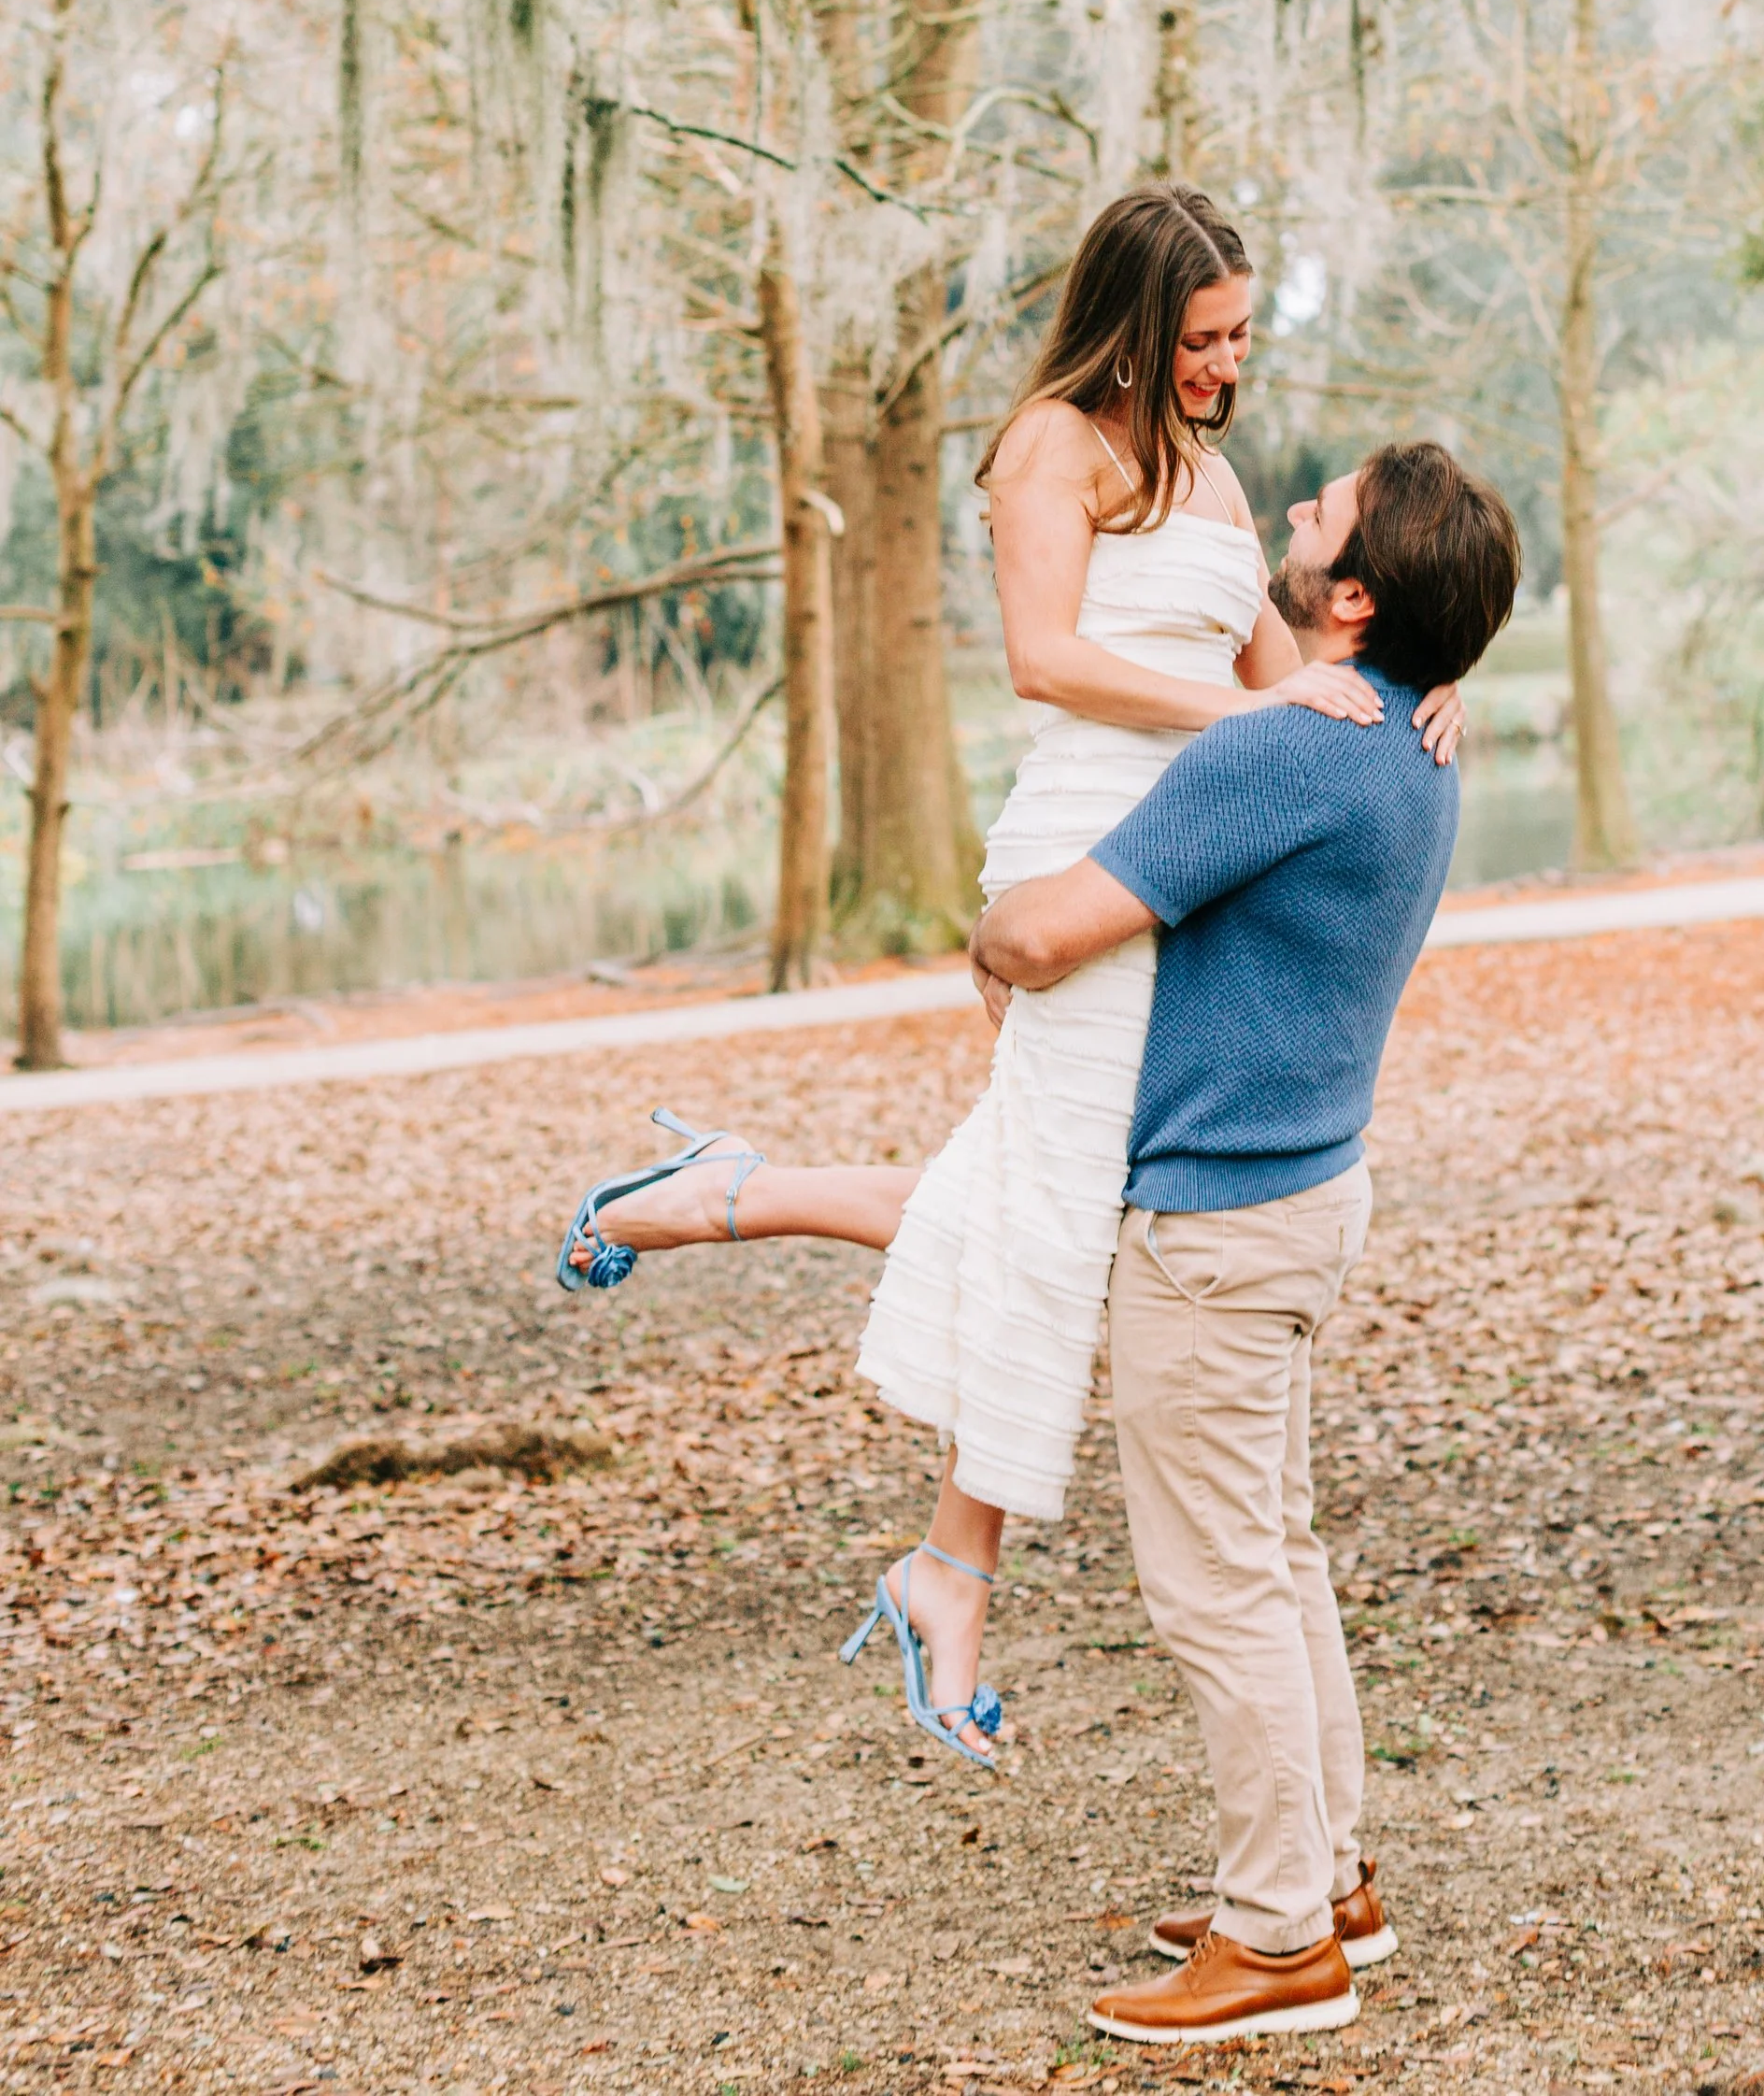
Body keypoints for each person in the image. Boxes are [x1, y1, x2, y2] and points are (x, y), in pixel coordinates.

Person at [553, 185, 1463, 1765]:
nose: (1226, 365)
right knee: (1063, 1216)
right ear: (1134, 322)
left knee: (1051, 1204)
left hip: (1188, 864)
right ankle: (945, 1566)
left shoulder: (1217, 476)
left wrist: (1431, 690)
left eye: (1243, 336)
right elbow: (1048, 657)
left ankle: (739, 1201)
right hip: (1080, 853)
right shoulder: (1050, 445)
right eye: (1202, 337)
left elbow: (1295, 672)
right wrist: (1257, 724)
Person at [967, 439, 1521, 2046]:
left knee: (1218, 1585)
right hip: (1307, 1197)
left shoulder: (1282, 753)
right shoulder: (1418, 745)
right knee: (1276, 1557)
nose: (1286, 509)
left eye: (1321, 511)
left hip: (1215, 1224)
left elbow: (1047, 929)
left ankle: (1280, 1938)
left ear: (1350, 597)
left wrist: (989, 922)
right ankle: (1327, 1875)